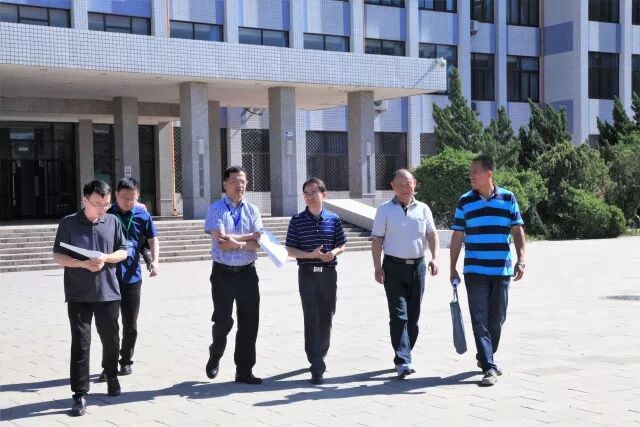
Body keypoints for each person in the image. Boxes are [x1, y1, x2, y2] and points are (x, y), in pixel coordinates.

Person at [449, 154, 526, 387]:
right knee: (479, 318)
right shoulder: (465, 201)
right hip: (475, 269)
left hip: (501, 269)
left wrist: (521, 260)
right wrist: (452, 267)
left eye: (475, 171)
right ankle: (489, 366)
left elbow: (518, 231)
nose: (471, 176)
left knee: (497, 319)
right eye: (470, 172)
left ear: (489, 173)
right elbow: (457, 235)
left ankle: (485, 356)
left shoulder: (508, 198)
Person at [52, 180, 128, 416]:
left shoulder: (113, 221)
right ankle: (79, 394)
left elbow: (123, 251)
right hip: (78, 294)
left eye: (106, 204)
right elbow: (58, 256)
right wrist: (83, 264)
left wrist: (106, 257)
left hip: (108, 292)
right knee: (81, 343)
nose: (102, 209)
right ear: (84, 200)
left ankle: (112, 376)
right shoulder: (68, 223)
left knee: (111, 339)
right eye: (97, 204)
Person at [371, 169, 440, 379]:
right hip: (393, 267)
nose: (404, 188)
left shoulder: (423, 209)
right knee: (398, 315)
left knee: (413, 316)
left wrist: (435, 258)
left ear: (414, 184)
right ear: (392, 186)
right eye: (399, 185)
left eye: (408, 184)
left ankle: (405, 352)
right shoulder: (384, 210)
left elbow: (432, 235)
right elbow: (377, 240)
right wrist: (377, 267)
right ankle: (403, 360)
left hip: (418, 267)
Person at [204, 166, 264, 384]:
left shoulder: (252, 210)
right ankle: (216, 352)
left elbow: (259, 242)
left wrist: (237, 242)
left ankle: (244, 370)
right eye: (234, 181)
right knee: (223, 320)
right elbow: (221, 240)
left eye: (243, 181)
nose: (240, 186)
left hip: (248, 273)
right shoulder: (216, 209)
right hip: (223, 273)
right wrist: (249, 237)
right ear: (225, 184)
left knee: (249, 322)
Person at [95, 178, 159, 381]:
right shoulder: (106, 214)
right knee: (109, 325)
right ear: (116, 195)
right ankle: (109, 365)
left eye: (132, 198)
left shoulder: (142, 215)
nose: (128, 201)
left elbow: (152, 239)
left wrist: (155, 260)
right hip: (108, 277)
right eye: (123, 197)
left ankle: (126, 361)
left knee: (130, 324)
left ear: (138, 196)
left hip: (132, 277)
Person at [285, 177, 347, 385]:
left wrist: (333, 252)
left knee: (327, 315)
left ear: (324, 195)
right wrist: (310, 255)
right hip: (307, 274)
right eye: (306, 193)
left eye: (314, 193)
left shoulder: (334, 219)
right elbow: (290, 249)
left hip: (328, 273)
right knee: (311, 317)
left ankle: (321, 351)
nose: (309, 197)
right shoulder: (297, 220)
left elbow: (342, 244)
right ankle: (316, 364)